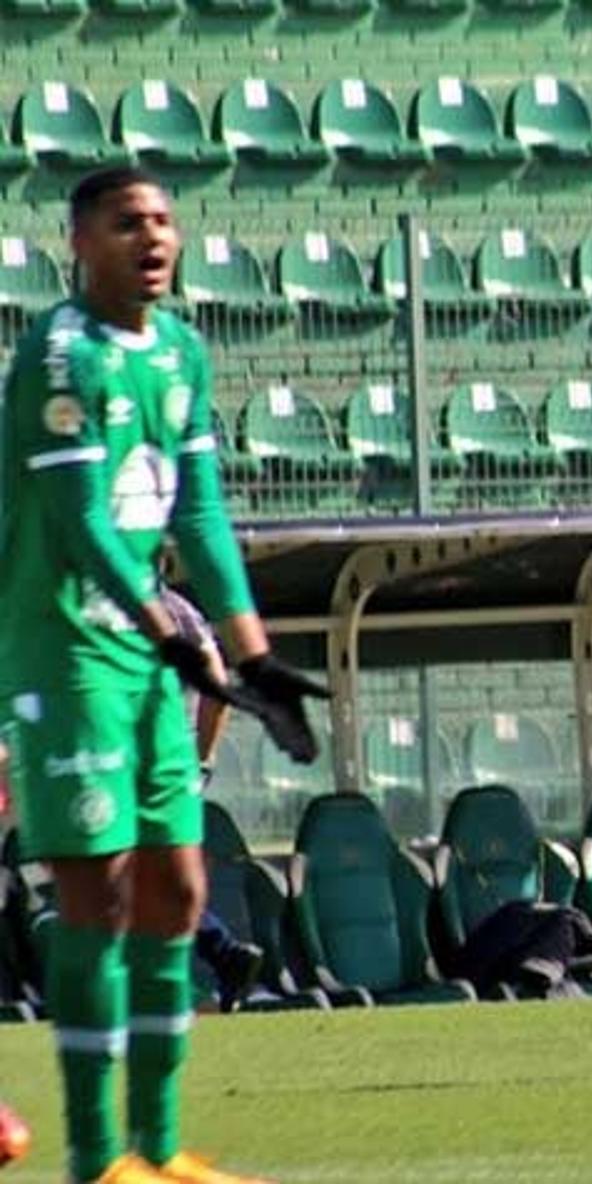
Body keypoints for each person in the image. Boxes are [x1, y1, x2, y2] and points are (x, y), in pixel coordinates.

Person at [0, 167, 328, 1184]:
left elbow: (200, 514)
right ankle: (99, 1157)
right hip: (68, 650)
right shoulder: (60, 354)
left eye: (163, 220)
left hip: (143, 653)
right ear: (79, 244)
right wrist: (170, 631)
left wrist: (252, 647)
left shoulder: (182, 351)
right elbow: (80, 519)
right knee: (96, 894)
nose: (153, 237)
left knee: (179, 888)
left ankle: (159, 1142)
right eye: (125, 222)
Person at [157, 589, 265, 1013]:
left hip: (125, 765)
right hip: (172, 767)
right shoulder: (179, 608)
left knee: (118, 877)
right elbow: (216, 684)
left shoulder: (111, 600)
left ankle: (183, 991)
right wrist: (200, 759)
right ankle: (222, 953)